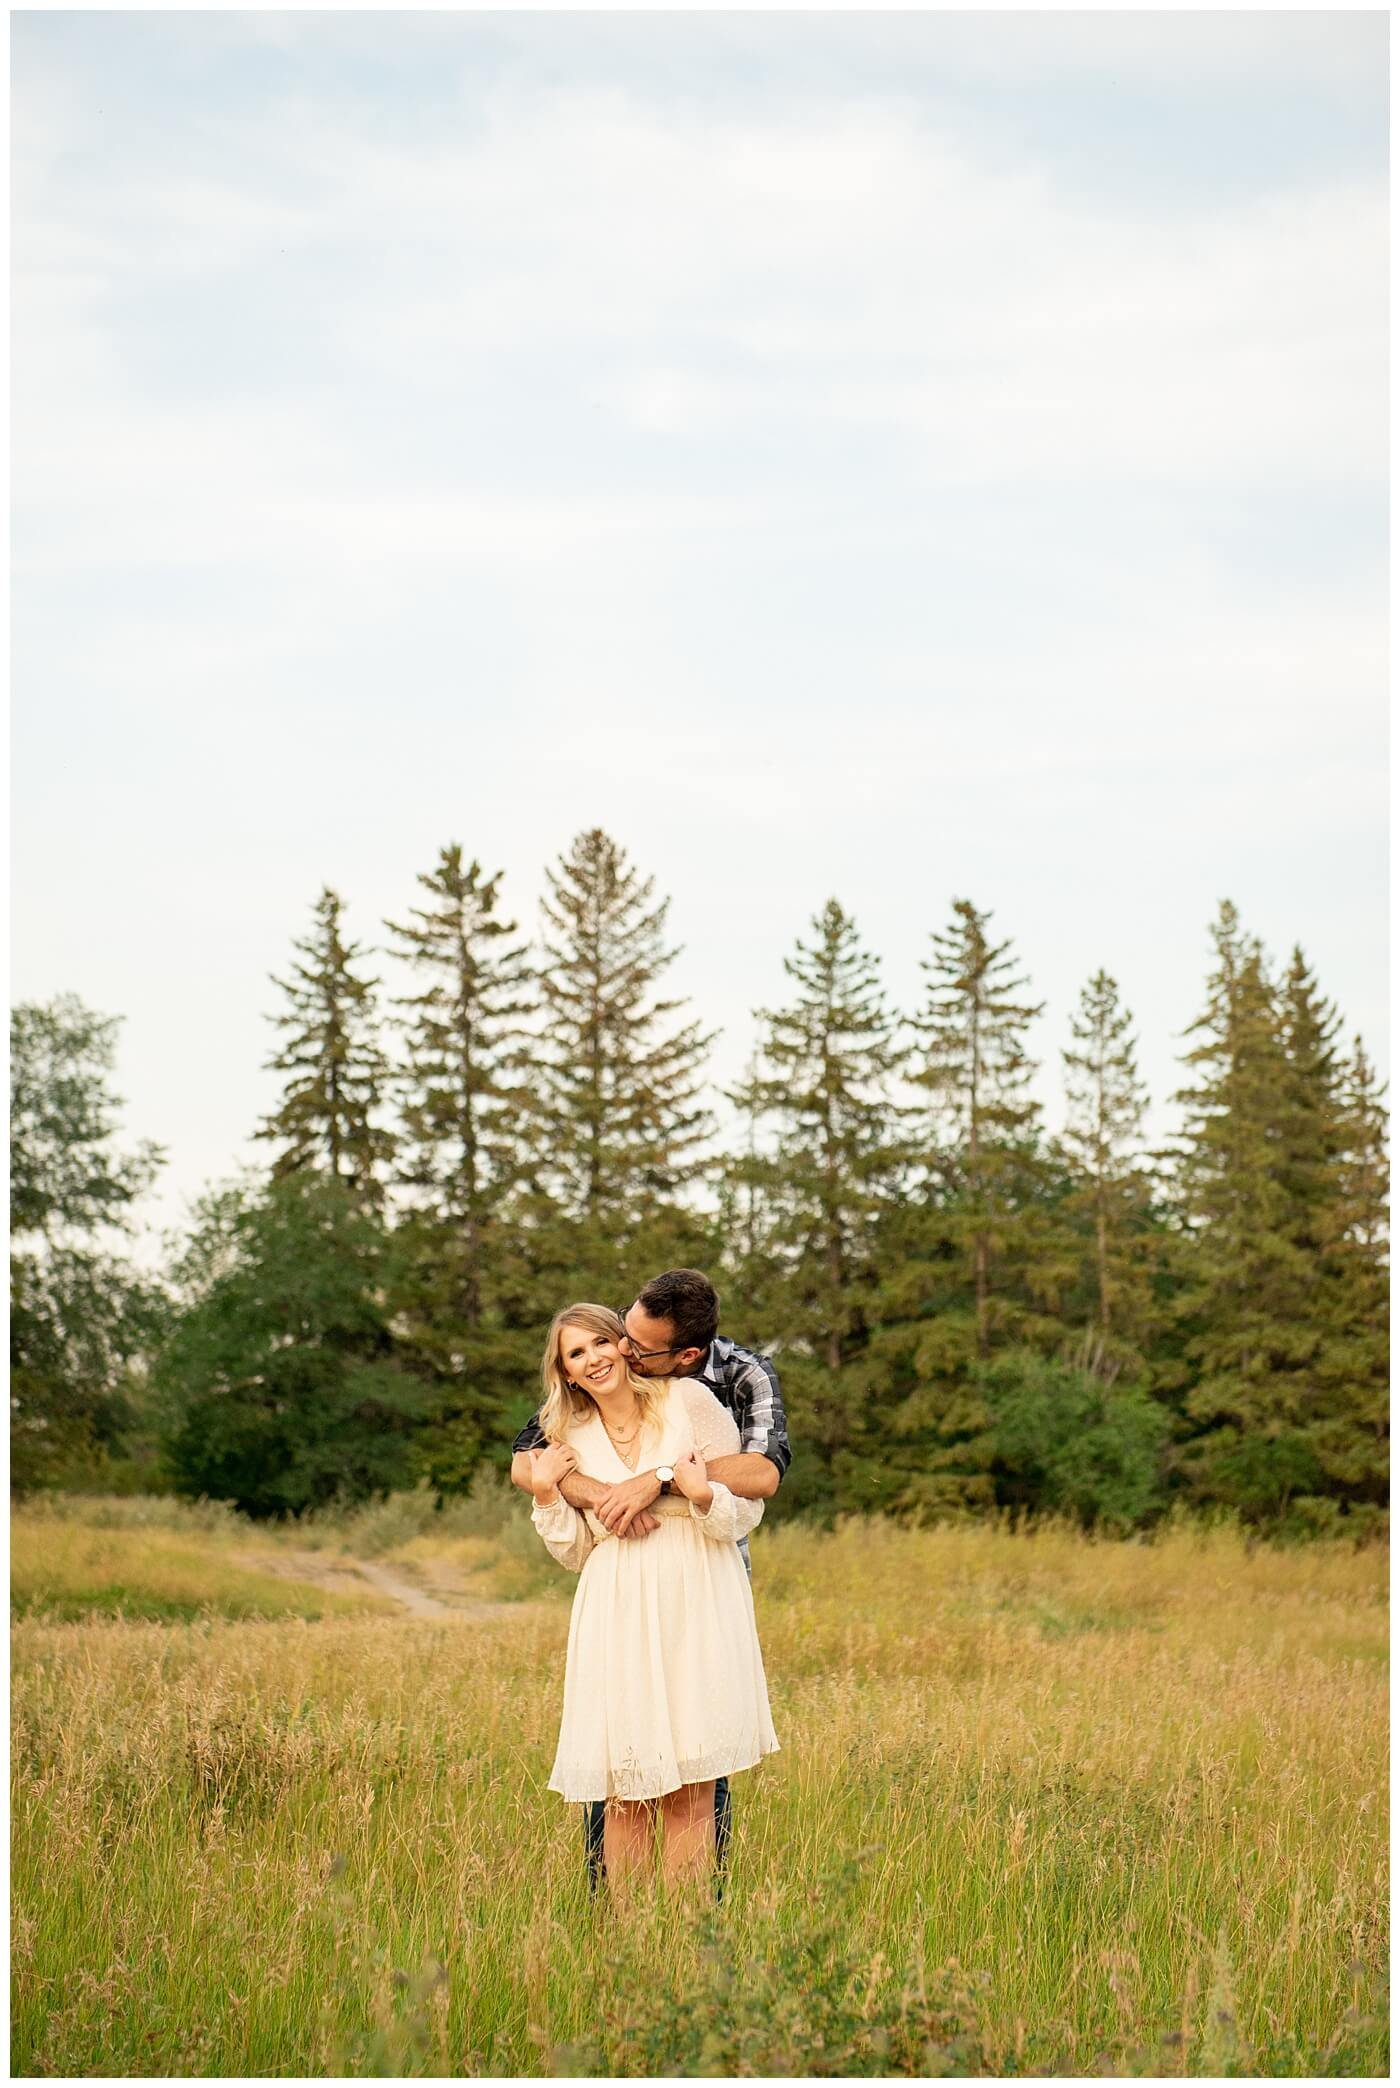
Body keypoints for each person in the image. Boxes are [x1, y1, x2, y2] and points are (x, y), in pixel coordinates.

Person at [511, 1269, 789, 1886]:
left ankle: (687, 1943)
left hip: (697, 1594)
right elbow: (571, 1548)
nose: (600, 1357)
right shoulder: (567, 1433)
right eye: (575, 1354)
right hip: (617, 1606)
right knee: (624, 1786)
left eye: (604, 1343)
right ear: (566, 1372)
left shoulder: (691, 1400)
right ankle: (624, 1945)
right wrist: (555, 1494)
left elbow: (750, 1498)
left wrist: (687, 1491)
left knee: (693, 1784)